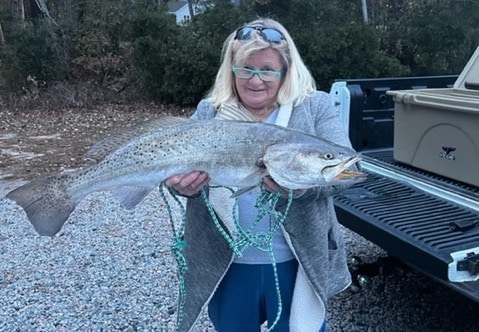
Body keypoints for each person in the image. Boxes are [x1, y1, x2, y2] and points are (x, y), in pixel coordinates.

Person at [165, 18, 353, 332]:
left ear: (286, 70)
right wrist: (183, 188)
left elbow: (347, 171)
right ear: (231, 69)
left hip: (297, 265)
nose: (255, 80)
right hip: (230, 264)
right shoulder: (210, 113)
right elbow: (176, 177)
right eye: (245, 69)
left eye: (267, 70)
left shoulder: (316, 107)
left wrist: (301, 188)